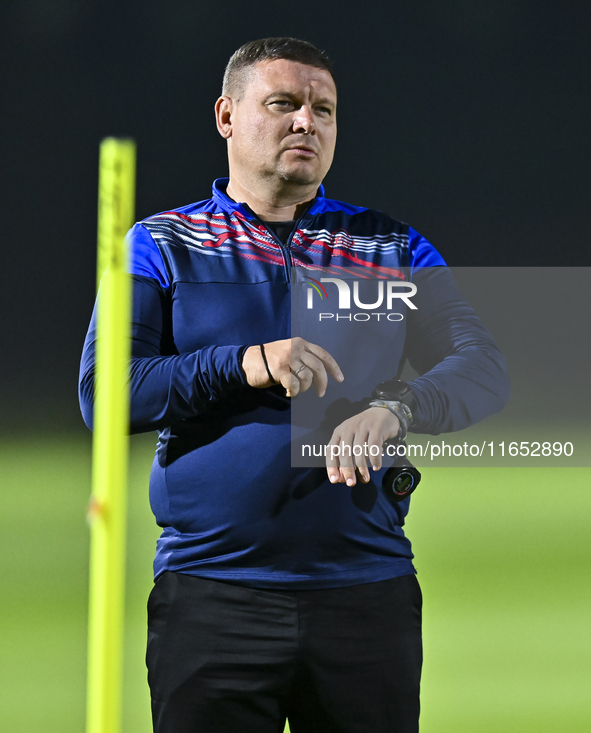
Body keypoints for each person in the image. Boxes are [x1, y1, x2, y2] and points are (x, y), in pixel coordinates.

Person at [79, 37, 509, 733]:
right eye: (282, 103)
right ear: (226, 115)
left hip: (365, 595)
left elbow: (482, 366)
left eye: (323, 109)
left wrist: (396, 407)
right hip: (212, 596)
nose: (306, 122)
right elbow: (107, 395)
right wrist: (243, 361)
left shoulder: (388, 246)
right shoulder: (160, 243)